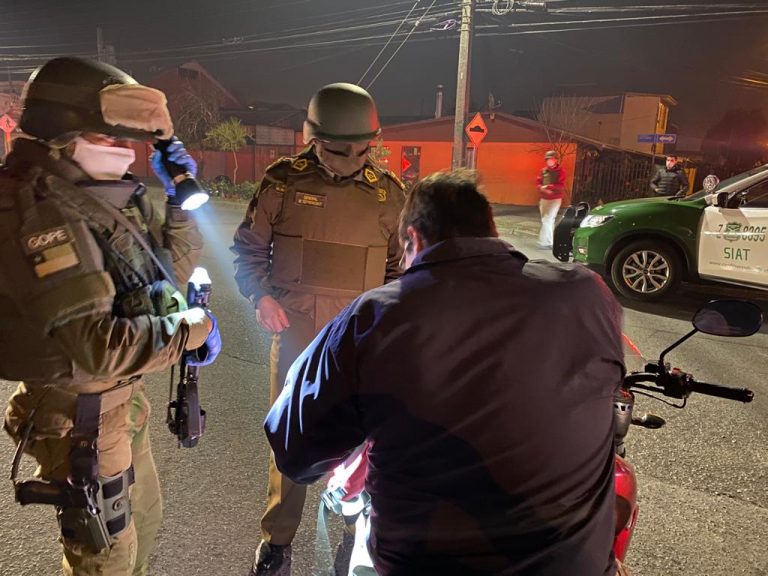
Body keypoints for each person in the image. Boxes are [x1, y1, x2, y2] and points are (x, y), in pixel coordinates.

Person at [265, 170, 626, 576]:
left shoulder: (376, 315)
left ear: (413, 239)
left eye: (401, 256)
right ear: (490, 228)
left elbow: (294, 450)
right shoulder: (586, 293)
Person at [0, 57, 220, 575]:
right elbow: (97, 344)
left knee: (144, 526)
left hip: (120, 402)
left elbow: (166, 274)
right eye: (109, 136)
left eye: (129, 140)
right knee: (106, 560)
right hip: (79, 418)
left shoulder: (94, 197)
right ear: (61, 131)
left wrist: (180, 197)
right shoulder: (39, 208)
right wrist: (192, 330)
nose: (124, 149)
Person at [231, 82, 406, 576]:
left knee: (366, 440)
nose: (350, 160)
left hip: (361, 339)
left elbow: (400, 271)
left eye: (361, 150)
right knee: (291, 439)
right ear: (312, 138)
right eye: (337, 150)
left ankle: (357, 527)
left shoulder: (390, 195)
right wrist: (261, 297)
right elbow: (248, 250)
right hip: (297, 334)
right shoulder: (283, 182)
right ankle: (277, 539)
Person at [536, 150, 566, 249]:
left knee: (547, 219)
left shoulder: (561, 171)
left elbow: (561, 185)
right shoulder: (543, 171)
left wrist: (549, 187)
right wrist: (541, 188)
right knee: (548, 221)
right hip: (544, 199)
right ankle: (550, 241)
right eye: (547, 159)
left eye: (551, 159)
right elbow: (538, 183)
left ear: (556, 160)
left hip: (555, 199)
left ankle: (545, 242)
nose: (549, 161)